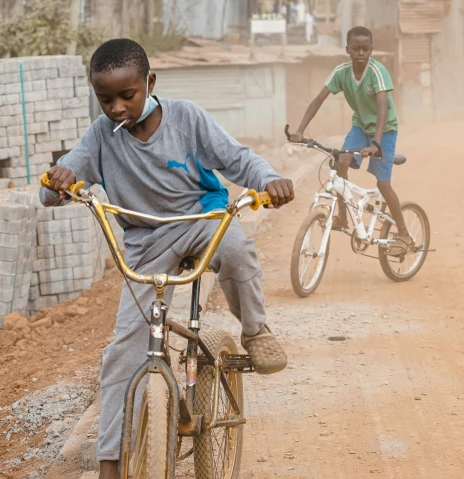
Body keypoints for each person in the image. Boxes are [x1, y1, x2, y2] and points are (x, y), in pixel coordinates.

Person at [39, 39, 293, 479]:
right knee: (122, 353)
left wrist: (270, 179)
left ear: (150, 83)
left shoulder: (187, 118)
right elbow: (56, 186)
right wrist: (59, 178)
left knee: (235, 248)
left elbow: (238, 159)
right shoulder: (100, 136)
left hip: (200, 219)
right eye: (105, 99)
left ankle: (255, 329)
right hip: (144, 243)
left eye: (127, 95)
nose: (117, 107)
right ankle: (110, 463)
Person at [290, 26, 413, 253]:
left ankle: (404, 234)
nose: (361, 53)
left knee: (383, 184)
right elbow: (318, 100)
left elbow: (382, 108)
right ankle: (343, 218)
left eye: (366, 49)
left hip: (384, 130)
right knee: (341, 161)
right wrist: (300, 130)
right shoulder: (341, 72)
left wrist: (375, 144)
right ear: (347, 49)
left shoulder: (377, 71)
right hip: (360, 126)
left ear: (371, 50)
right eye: (356, 48)